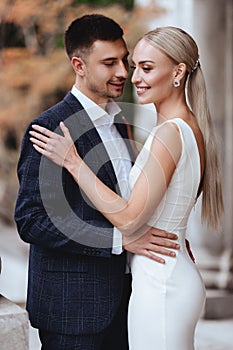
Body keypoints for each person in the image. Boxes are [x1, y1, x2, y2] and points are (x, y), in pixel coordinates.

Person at [30, 26, 224, 349]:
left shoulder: (169, 134)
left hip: (161, 284)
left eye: (146, 68)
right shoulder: (186, 126)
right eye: (135, 67)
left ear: (178, 72)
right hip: (166, 275)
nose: (132, 77)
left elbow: (131, 218)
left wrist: (75, 162)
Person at [14, 15, 180, 350]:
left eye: (123, 59)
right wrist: (118, 240)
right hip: (70, 311)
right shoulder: (49, 129)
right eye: (109, 63)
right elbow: (31, 221)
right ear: (79, 65)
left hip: (125, 301)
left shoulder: (120, 123)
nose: (122, 72)